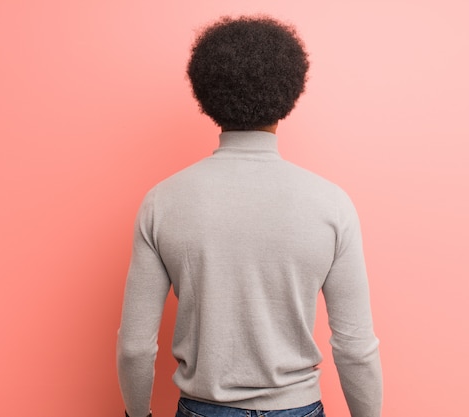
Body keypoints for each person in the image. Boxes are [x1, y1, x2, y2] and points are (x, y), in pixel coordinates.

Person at [117, 15, 382, 417]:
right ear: (288, 92)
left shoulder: (163, 201)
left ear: (208, 91)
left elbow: (135, 346)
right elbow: (355, 347)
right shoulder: (331, 204)